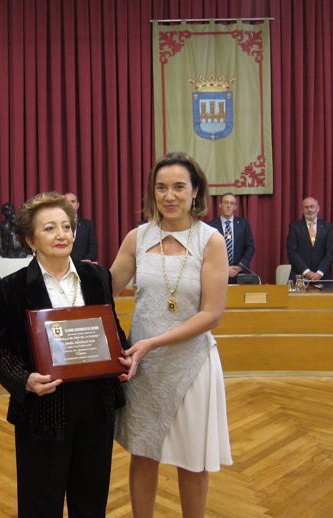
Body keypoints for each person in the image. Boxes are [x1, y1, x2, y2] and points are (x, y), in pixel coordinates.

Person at [0, 191, 128, 518]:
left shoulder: (97, 278)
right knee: (41, 504)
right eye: (49, 228)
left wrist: (122, 357)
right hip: (43, 409)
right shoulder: (12, 288)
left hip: (96, 406)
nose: (62, 234)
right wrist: (25, 380)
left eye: (67, 226)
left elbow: (113, 332)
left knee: (91, 502)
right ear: (29, 239)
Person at [110, 151, 232, 518]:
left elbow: (212, 314)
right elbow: (105, 289)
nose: (169, 195)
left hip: (191, 365)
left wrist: (151, 343)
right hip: (143, 370)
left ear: (196, 192)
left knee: (192, 462)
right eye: (161, 187)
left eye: (179, 187)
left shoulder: (210, 241)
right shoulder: (137, 237)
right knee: (143, 454)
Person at [207, 192, 255, 283]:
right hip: (217, 274)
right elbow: (208, 252)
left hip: (239, 274)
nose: (228, 205)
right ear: (220, 205)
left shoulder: (243, 224)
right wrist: (224, 269)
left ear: (235, 207)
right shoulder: (210, 226)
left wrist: (240, 266)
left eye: (232, 203)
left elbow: (250, 247)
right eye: (225, 202)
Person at [286, 197, 333, 281]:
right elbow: (292, 252)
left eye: (312, 206)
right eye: (306, 207)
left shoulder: (327, 227)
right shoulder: (294, 227)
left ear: (318, 208)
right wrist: (307, 272)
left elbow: (329, 253)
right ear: (302, 210)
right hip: (299, 277)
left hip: (322, 278)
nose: (309, 210)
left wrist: (319, 273)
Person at [65, 191, 98, 262]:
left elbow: (93, 246)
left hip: (83, 266)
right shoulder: (56, 225)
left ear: (78, 205)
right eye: (66, 202)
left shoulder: (87, 225)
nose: (69, 204)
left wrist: (88, 259)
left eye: (72, 201)